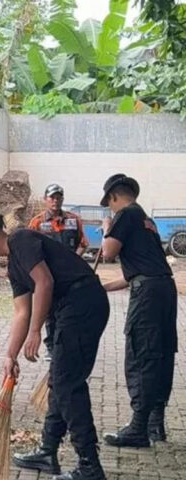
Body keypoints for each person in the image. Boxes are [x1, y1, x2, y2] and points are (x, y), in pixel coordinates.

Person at [0, 214, 108, 480]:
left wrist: (35, 331)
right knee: (59, 381)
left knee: (68, 384)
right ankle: (47, 451)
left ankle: (90, 466)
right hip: (68, 310)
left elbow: (45, 282)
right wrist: (10, 355)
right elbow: (22, 311)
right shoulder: (13, 268)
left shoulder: (21, 239)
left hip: (82, 303)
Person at [99, 174, 177, 447]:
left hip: (147, 295)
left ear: (113, 197)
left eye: (109, 205)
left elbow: (108, 252)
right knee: (161, 353)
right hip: (164, 289)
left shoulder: (124, 214)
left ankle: (138, 429)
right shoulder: (147, 221)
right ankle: (156, 424)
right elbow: (142, 270)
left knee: (141, 352)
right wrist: (107, 288)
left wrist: (107, 227)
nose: (110, 210)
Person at [27, 183, 89, 358]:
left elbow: (83, 244)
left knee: (71, 309)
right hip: (48, 275)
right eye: (52, 197)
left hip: (71, 275)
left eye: (58, 197)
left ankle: (69, 344)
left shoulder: (74, 220)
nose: (55, 201)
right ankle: (52, 347)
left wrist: (74, 260)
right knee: (49, 310)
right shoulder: (37, 222)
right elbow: (29, 247)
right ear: (46, 200)